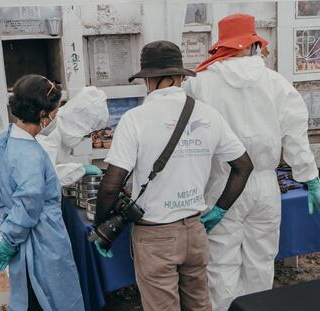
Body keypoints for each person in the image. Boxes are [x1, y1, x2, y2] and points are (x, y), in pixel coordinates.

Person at [94, 40, 254, 311]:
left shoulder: (136, 119)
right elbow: (244, 166)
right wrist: (219, 210)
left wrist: (101, 228)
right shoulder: (208, 114)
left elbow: (111, 185)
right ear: (180, 76)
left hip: (155, 236)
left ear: (149, 80)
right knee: (199, 305)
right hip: (195, 231)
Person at [183, 14, 320, 311]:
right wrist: (310, 177)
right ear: (253, 44)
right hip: (264, 183)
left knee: (221, 265)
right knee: (261, 261)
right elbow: (295, 134)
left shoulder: (201, 84)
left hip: (222, 184)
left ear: (222, 46)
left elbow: (187, 139)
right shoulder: (275, 82)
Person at [0, 74, 84, 311]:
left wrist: (6, 229)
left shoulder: (1, 142)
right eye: (55, 113)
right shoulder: (31, 155)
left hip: (18, 239)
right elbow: (28, 205)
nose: (55, 118)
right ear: (43, 114)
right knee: (52, 300)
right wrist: (10, 239)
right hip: (44, 244)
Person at [0, 86, 109, 243]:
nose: (86, 137)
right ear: (80, 124)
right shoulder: (48, 133)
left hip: (17, 199)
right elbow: (44, 175)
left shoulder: (60, 128)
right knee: (14, 248)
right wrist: (80, 169)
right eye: (87, 132)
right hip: (6, 201)